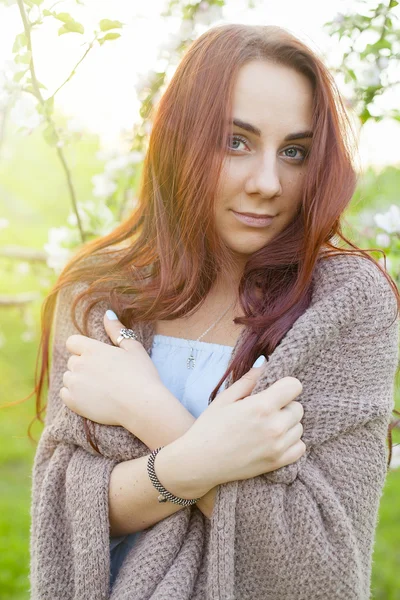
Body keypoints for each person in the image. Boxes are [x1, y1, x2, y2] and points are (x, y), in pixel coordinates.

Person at [29, 24, 399, 599]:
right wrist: (209, 457)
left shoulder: (347, 304)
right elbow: (67, 509)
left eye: (295, 151)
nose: (269, 183)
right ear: (180, 141)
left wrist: (149, 410)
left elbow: (322, 570)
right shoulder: (101, 293)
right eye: (236, 141)